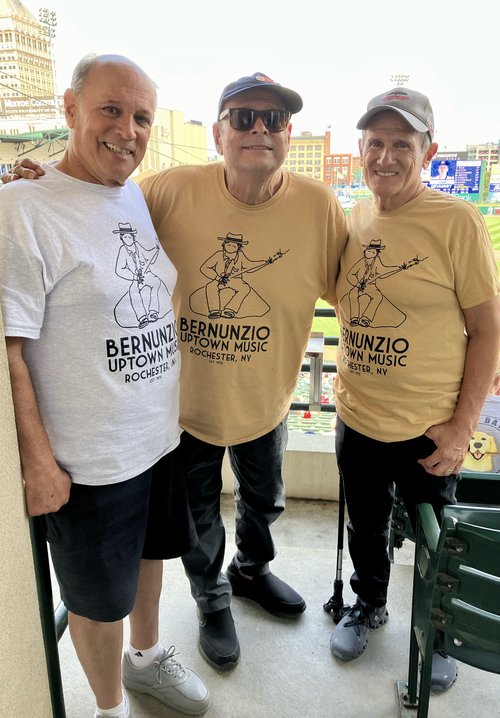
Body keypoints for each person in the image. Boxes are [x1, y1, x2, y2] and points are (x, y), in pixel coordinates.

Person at [2, 72, 348, 672]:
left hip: (266, 405)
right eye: (243, 118)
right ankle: (211, 598)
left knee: (264, 502)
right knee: (198, 517)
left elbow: (361, 295)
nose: (258, 128)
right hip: (182, 409)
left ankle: (251, 571)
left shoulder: (320, 206)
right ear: (219, 133)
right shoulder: (166, 190)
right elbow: (95, 192)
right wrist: (33, 176)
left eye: (273, 118)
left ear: (290, 134)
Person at [0, 54, 210, 718]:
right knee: (96, 600)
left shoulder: (133, 195)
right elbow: (12, 346)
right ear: (70, 109)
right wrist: (36, 459)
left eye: (142, 117)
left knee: (151, 557)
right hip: (86, 462)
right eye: (111, 110)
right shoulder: (22, 208)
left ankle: (146, 660)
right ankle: (110, 707)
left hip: (157, 435)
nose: (128, 130)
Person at [331, 86, 500, 690]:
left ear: (428, 151)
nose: (386, 156)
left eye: (401, 143)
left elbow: (487, 331)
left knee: (435, 537)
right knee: (366, 528)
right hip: (358, 417)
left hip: (429, 426)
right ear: (361, 150)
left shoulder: (457, 221)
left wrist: (462, 428)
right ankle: (368, 603)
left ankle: (439, 629)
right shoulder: (354, 215)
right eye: (375, 142)